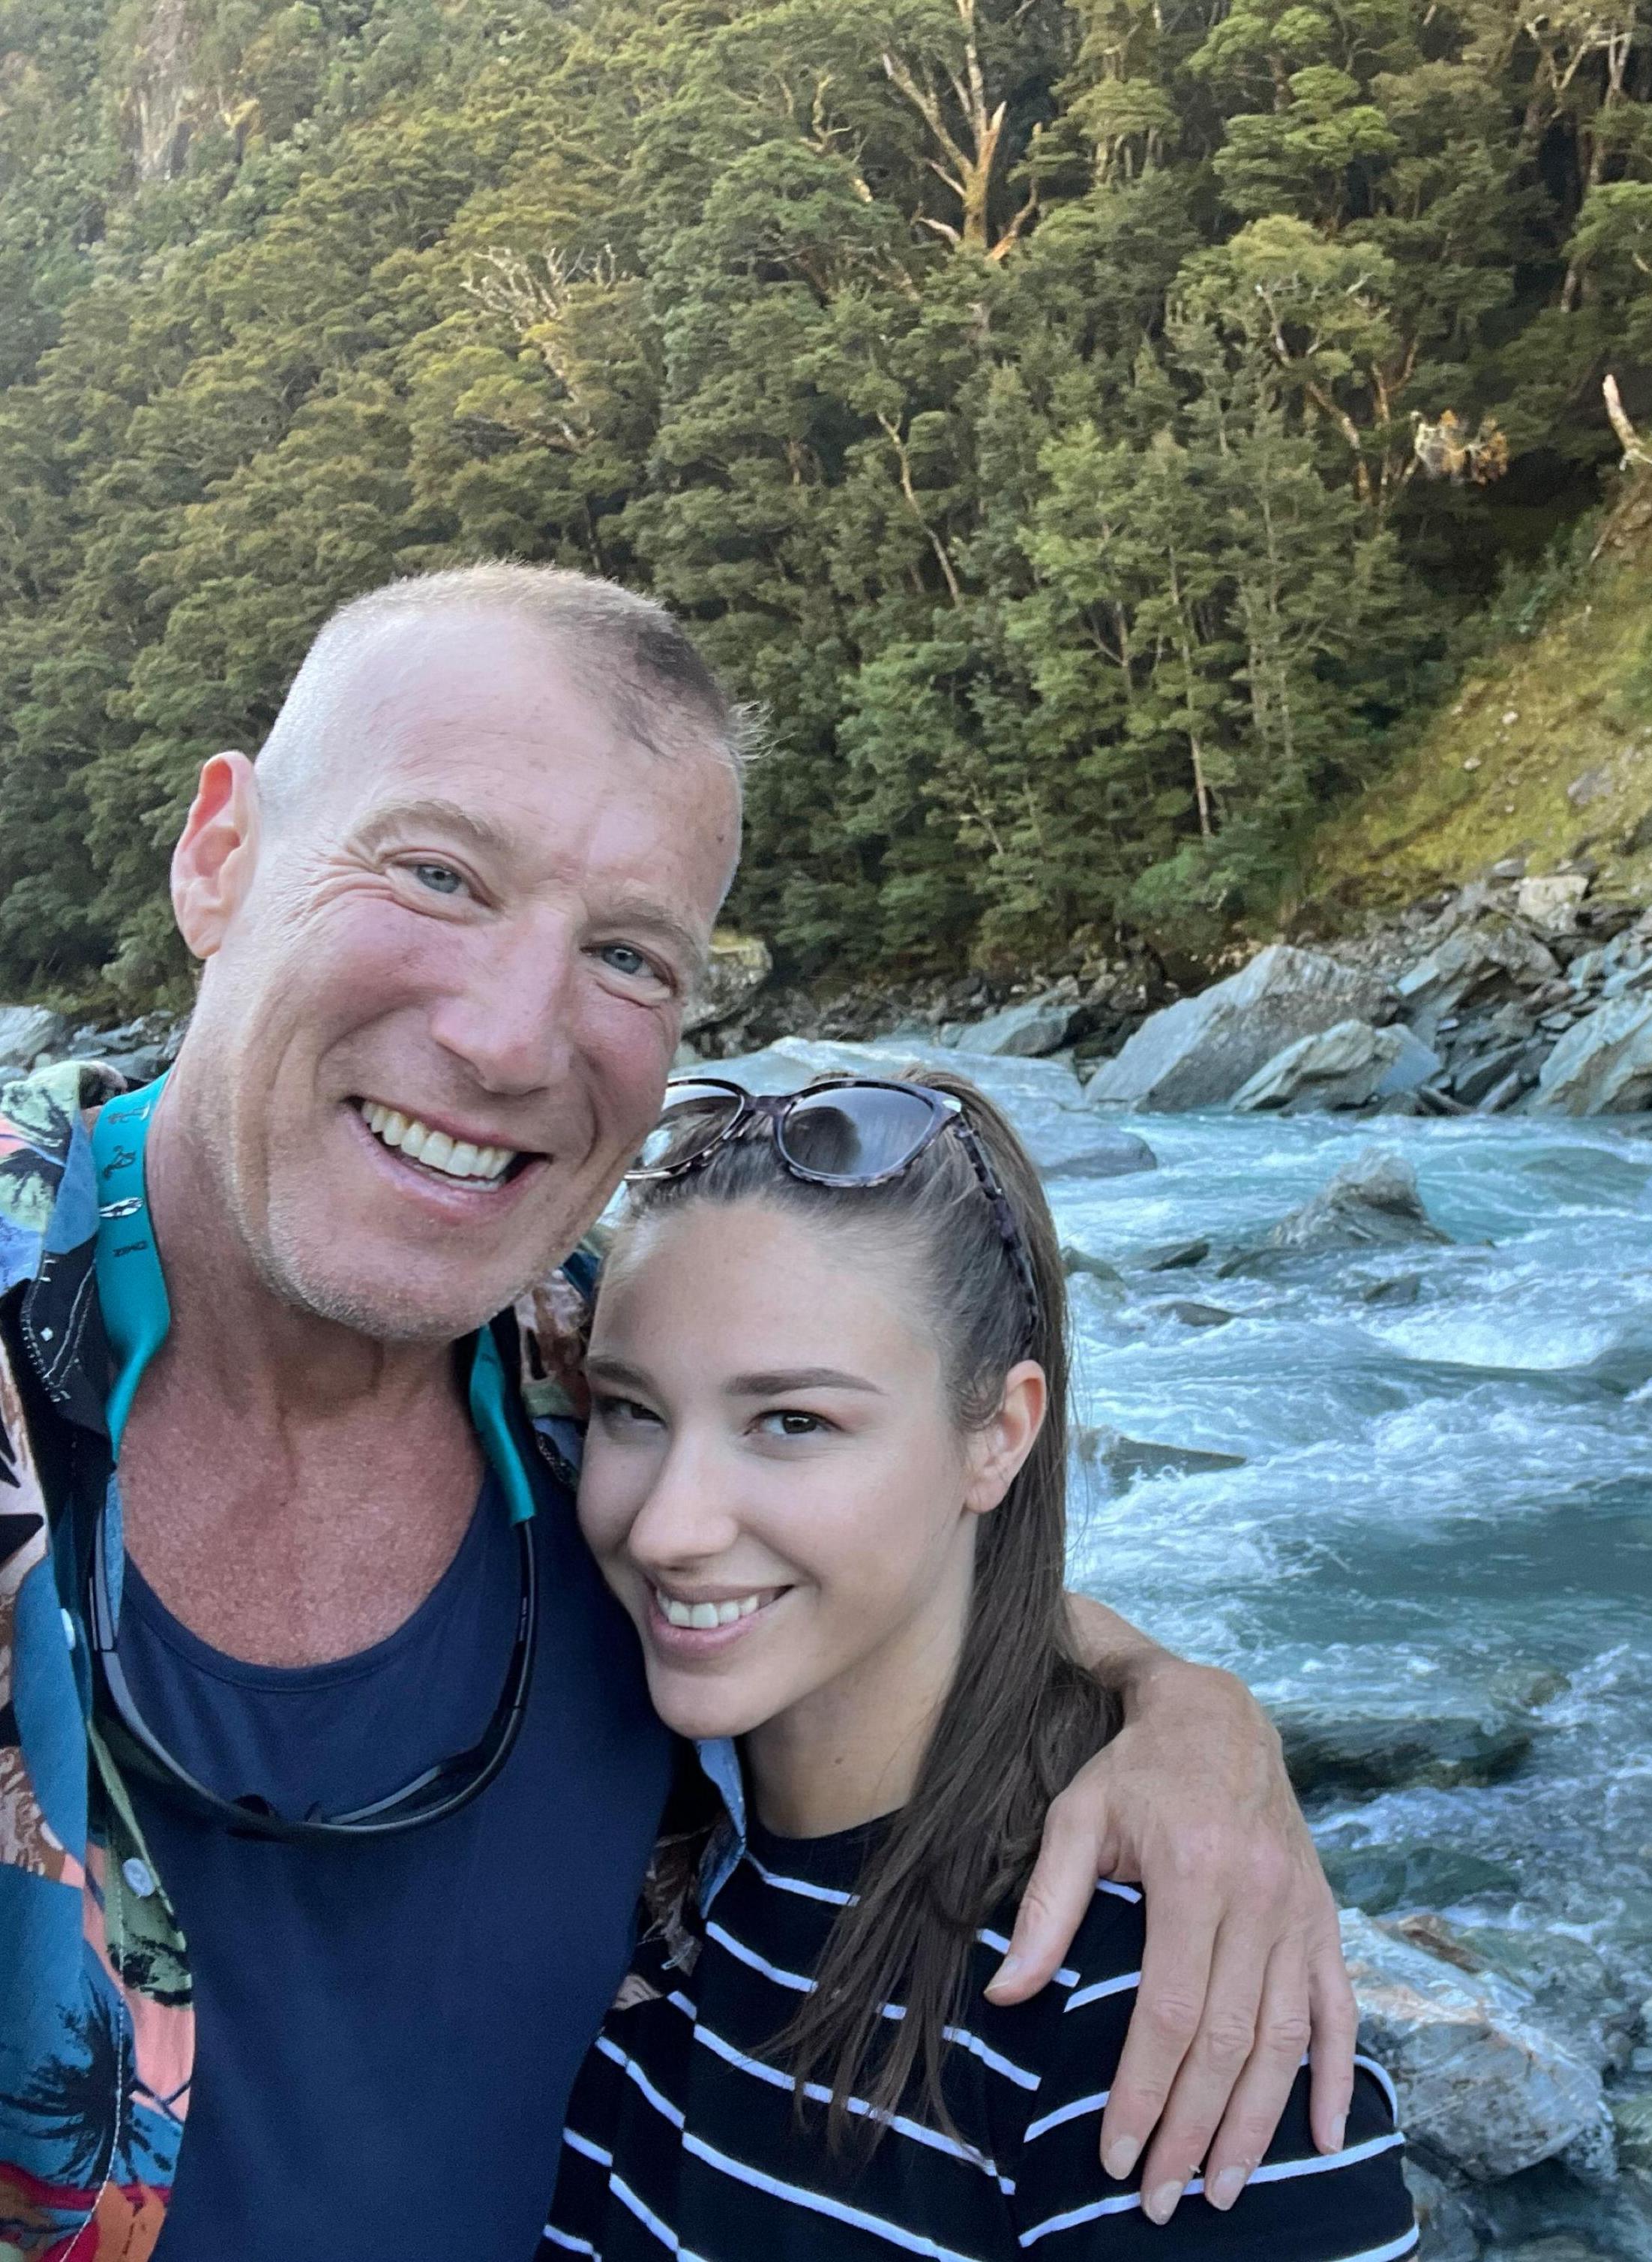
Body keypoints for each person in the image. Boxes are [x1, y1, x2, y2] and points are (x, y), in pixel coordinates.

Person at [0, 565, 1352, 2262]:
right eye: (435, 870)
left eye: (628, 954)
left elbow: (856, 1552)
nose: (505, 1038)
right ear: (221, 854)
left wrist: (1185, 1710)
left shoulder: (594, 1407)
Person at [544, 1070, 1414, 2260]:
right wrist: (1180, 1692)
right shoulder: (643, 1805)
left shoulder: (1152, 2003)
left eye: (792, 1422)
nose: (667, 1527)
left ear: (999, 1434)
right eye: (633, 1411)